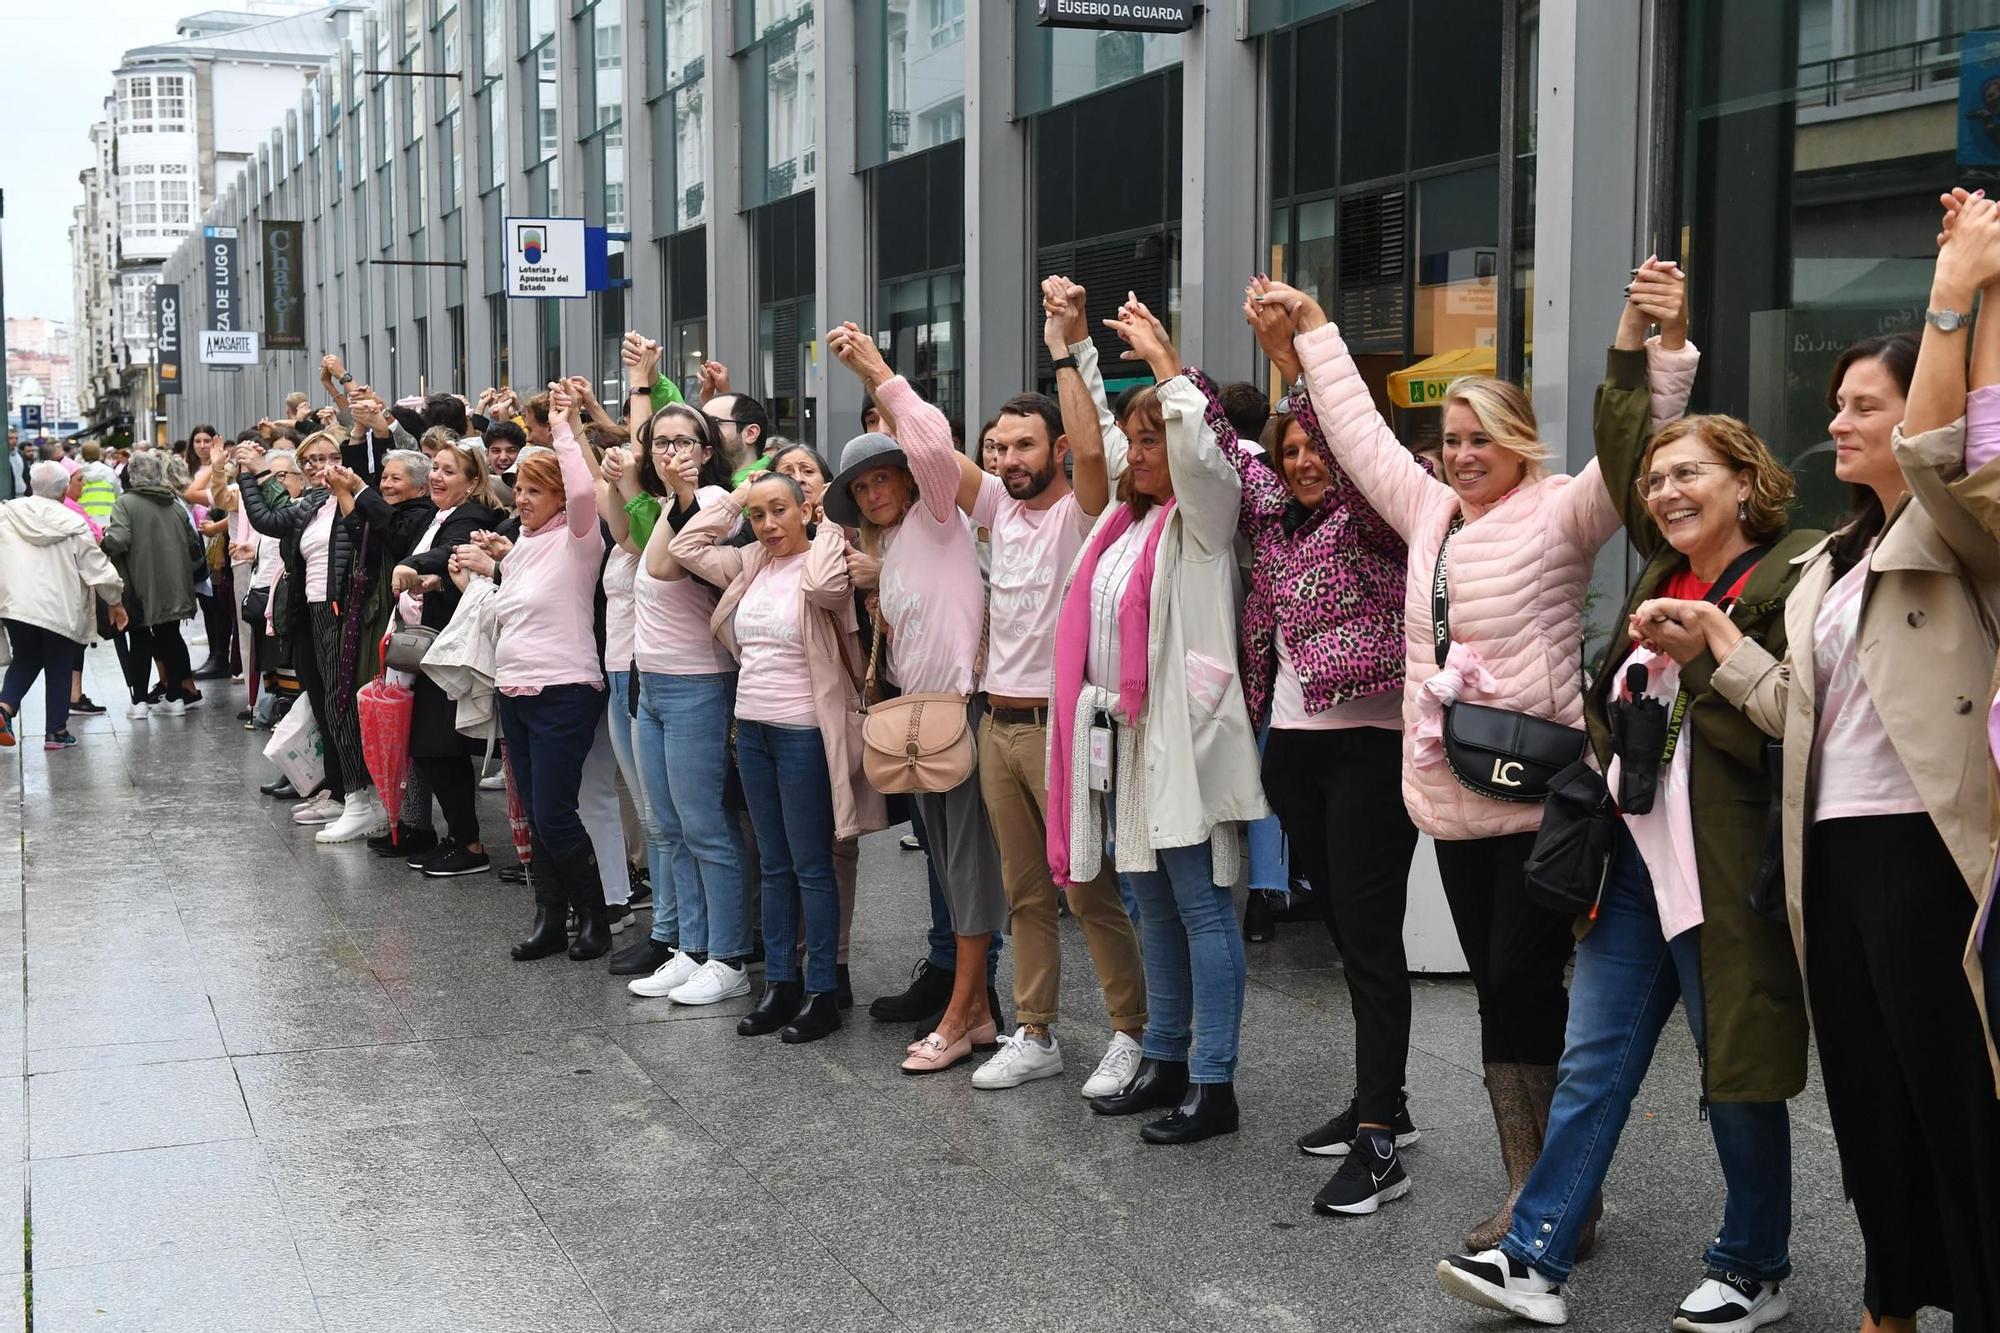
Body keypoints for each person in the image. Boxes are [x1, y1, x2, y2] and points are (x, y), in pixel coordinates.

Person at [1272, 263, 1699, 1246]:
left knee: (1517, 976)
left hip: (1541, 797)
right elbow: (1358, 435)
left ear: (1518, 444)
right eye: (1452, 441)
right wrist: (1314, 333)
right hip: (1449, 794)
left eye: (1482, 440)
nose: (1463, 456)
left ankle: (1557, 1192)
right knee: (1495, 988)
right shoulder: (1424, 513)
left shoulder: (1560, 509)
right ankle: (1534, 1190)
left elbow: (1630, 451)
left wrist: (1655, 345)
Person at [1439, 296, 1815, 1330]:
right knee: (1592, 1060)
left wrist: (1709, 652)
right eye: (1654, 479)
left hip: (1724, 872)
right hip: (1635, 868)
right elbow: (1621, 440)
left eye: (1687, 471)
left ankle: (1752, 1262)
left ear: (1745, 480)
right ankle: (1534, 1255)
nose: (1661, 487)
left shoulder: (1791, 570)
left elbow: (1795, 720)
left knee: (1735, 1073)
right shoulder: (1661, 567)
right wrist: (1627, 346)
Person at [1670, 198, 2000, 1333]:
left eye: (1867, 401)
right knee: (1868, 1104)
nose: (1842, 420)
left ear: (1921, 409)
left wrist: (1956, 290)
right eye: (1837, 404)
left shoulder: (1956, 530)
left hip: (1927, 850)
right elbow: (1803, 719)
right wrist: (1717, 649)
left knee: (1954, 1100)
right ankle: (1888, 1301)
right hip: (1831, 855)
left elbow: (1958, 454)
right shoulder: (1826, 557)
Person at [1050, 294, 1268, 1144]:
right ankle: (1167, 1057)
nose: (1139, 456)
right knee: (1149, 903)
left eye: (1154, 443)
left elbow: (1206, 456)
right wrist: (1073, 348)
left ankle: (1215, 1082)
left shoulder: (1206, 520)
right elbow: (1101, 432)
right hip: (1118, 738)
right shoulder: (1120, 520)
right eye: (1136, 444)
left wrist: (1172, 370)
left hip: (1179, 740)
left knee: (1202, 907)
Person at [1226, 286, 1424, 1212]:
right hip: (1298, 751)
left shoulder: (1378, 522)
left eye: (1317, 448)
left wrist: (1304, 362)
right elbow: (1227, 447)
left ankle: (1380, 1139)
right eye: (1291, 450)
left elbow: (1357, 448)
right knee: (1345, 932)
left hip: (1373, 751)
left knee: (1373, 940)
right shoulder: (1279, 524)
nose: (1304, 462)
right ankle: (1381, 1100)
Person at [962, 276, 1148, 1098]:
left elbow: (1096, 447)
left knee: (1085, 888)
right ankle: (1034, 1030)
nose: (1008, 462)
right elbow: (936, 451)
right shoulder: (997, 510)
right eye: (998, 449)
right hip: (994, 725)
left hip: (1056, 726)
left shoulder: (1082, 508)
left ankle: (1131, 1031)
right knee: (1024, 891)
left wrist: (1068, 347)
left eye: (1024, 447)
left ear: (1056, 452)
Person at [822, 321, 1010, 1075]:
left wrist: (877, 372)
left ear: (907, 479)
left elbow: (933, 447)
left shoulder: (940, 516)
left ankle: (964, 1011)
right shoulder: (894, 543)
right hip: (924, 721)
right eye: (860, 487)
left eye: (880, 478)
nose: (872, 492)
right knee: (945, 862)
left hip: (959, 712)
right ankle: (979, 1008)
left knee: (967, 867)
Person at [669, 470, 886, 1044]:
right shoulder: (749, 566)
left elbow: (820, 591)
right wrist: (739, 498)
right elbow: (683, 547)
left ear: (805, 511)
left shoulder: (827, 563)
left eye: (778, 512)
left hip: (805, 734)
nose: (767, 526)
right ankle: (780, 987)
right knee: (772, 862)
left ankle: (822, 991)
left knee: (812, 863)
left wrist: (824, 527)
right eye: (759, 516)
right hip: (754, 731)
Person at [456, 382, 613, 960]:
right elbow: (510, 612)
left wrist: (564, 426)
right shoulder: (520, 546)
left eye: (531, 490)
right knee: (537, 817)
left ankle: (594, 917)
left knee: (554, 811)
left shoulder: (579, 538)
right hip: (516, 692)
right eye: (516, 489)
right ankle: (551, 918)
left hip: (564, 690)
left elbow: (583, 488)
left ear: (556, 495)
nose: (519, 498)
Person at [620, 402, 755, 1003]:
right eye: (661, 443)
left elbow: (681, 566)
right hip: (652, 685)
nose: (671, 451)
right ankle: (690, 947)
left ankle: (728, 958)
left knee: (706, 827)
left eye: (685, 441)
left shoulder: (712, 509)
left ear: (706, 451)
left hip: (700, 685)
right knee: (669, 827)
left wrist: (688, 495)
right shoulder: (668, 509)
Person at [236, 431, 386, 844]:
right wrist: (249, 474)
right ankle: (348, 796)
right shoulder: (314, 502)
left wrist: (349, 490)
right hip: (314, 610)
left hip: (343, 612)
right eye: (313, 461)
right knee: (329, 705)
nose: (322, 467)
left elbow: (365, 538)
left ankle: (359, 800)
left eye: (331, 457)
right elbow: (268, 519)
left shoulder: (352, 496)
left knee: (342, 705)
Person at [386, 440, 504, 876]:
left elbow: (450, 551)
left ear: (472, 482)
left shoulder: (470, 514)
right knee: (433, 748)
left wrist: (414, 564)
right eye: (434, 467)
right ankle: (459, 837)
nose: (436, 476)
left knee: (439, 746)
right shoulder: (441, 514)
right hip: (433, 641)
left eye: (448, 471)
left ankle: (469, 843)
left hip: (450, 645)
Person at [329, 448, 441, 855]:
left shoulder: (420, 514)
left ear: (419, 484)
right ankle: (401, 818)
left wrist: (358, 489)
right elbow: (361, 530)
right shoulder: (398, 511)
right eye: (384, 478)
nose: (387, 485)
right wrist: (351, 492)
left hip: (408, 629)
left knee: (410, 729)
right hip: (386, 621)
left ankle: (413, 822)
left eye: (396, 478)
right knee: (393, 724)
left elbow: (392, 531)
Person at [0, 461, 128, 750]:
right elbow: (95, 567)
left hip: (15, 604)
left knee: (26, 658)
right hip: (59, 606)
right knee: (59, 663)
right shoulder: (73, 522)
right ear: (63, 491)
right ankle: (55, 732)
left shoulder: (6, 514)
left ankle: (4, 708)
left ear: (32, 485)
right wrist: (115, 600)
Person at [101, 450, 205, 724]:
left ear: (132, 475)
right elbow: (193, 543)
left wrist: (105, 540)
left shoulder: (126, 503)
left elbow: (120, 539)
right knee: (170, 638)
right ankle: (175, 698)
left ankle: (139, 703)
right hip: (175, 586)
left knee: (140, 640)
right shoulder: (174, 504)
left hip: (139, 586)